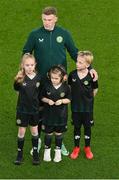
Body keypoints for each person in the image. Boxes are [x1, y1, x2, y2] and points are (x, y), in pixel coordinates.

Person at [22, 6, 98, 156]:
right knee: (39, 109)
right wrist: (24, 69)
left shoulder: (64, 34)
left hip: (60, 81)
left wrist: (90, 68)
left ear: (56, 19)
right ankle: (37, 141)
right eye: (44, 19)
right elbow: (26, 52)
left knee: (58, 111)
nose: (47, 22)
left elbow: (75, 52)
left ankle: (59, 142)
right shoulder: (34, 34)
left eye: (50, 20)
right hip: (41, 80)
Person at [68, 51, 98, 160]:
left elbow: (95, 88)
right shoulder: (72, 74)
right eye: (77, 62)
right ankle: (76, 147)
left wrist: (89, 99)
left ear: (87, 65)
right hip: (75, 108)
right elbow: (70, 88)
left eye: (80, 63)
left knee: (87, 127)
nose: (77, 64)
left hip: (87, 108)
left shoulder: (92, 75)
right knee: (76, 127)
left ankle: (87, 147)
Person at [14, 54, 40, 165]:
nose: (29, 67)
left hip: (34, 110)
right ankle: (19, 154)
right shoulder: (21, 77)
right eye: (27, 65)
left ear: (35, 65)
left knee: (34, 131)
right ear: (23, 66)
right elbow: (16, 89)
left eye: (31, 65)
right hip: (22, 110)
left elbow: (40, 93)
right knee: (21, 131)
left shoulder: (39, 78)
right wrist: (17, 79)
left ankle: (35, 153)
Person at [41, 66, 71, 162]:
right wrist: (47, 100)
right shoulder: (46, 85)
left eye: (56, 78)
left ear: (62, 77)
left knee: (58, 133)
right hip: (48, 115)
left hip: (61, 116)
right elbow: (41, 97)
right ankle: (47, 150)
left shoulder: (66, 87)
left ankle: (58, 152)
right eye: (52, 78)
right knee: (48, 133)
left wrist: (62, 101)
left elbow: (69, 99)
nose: (54, 80)